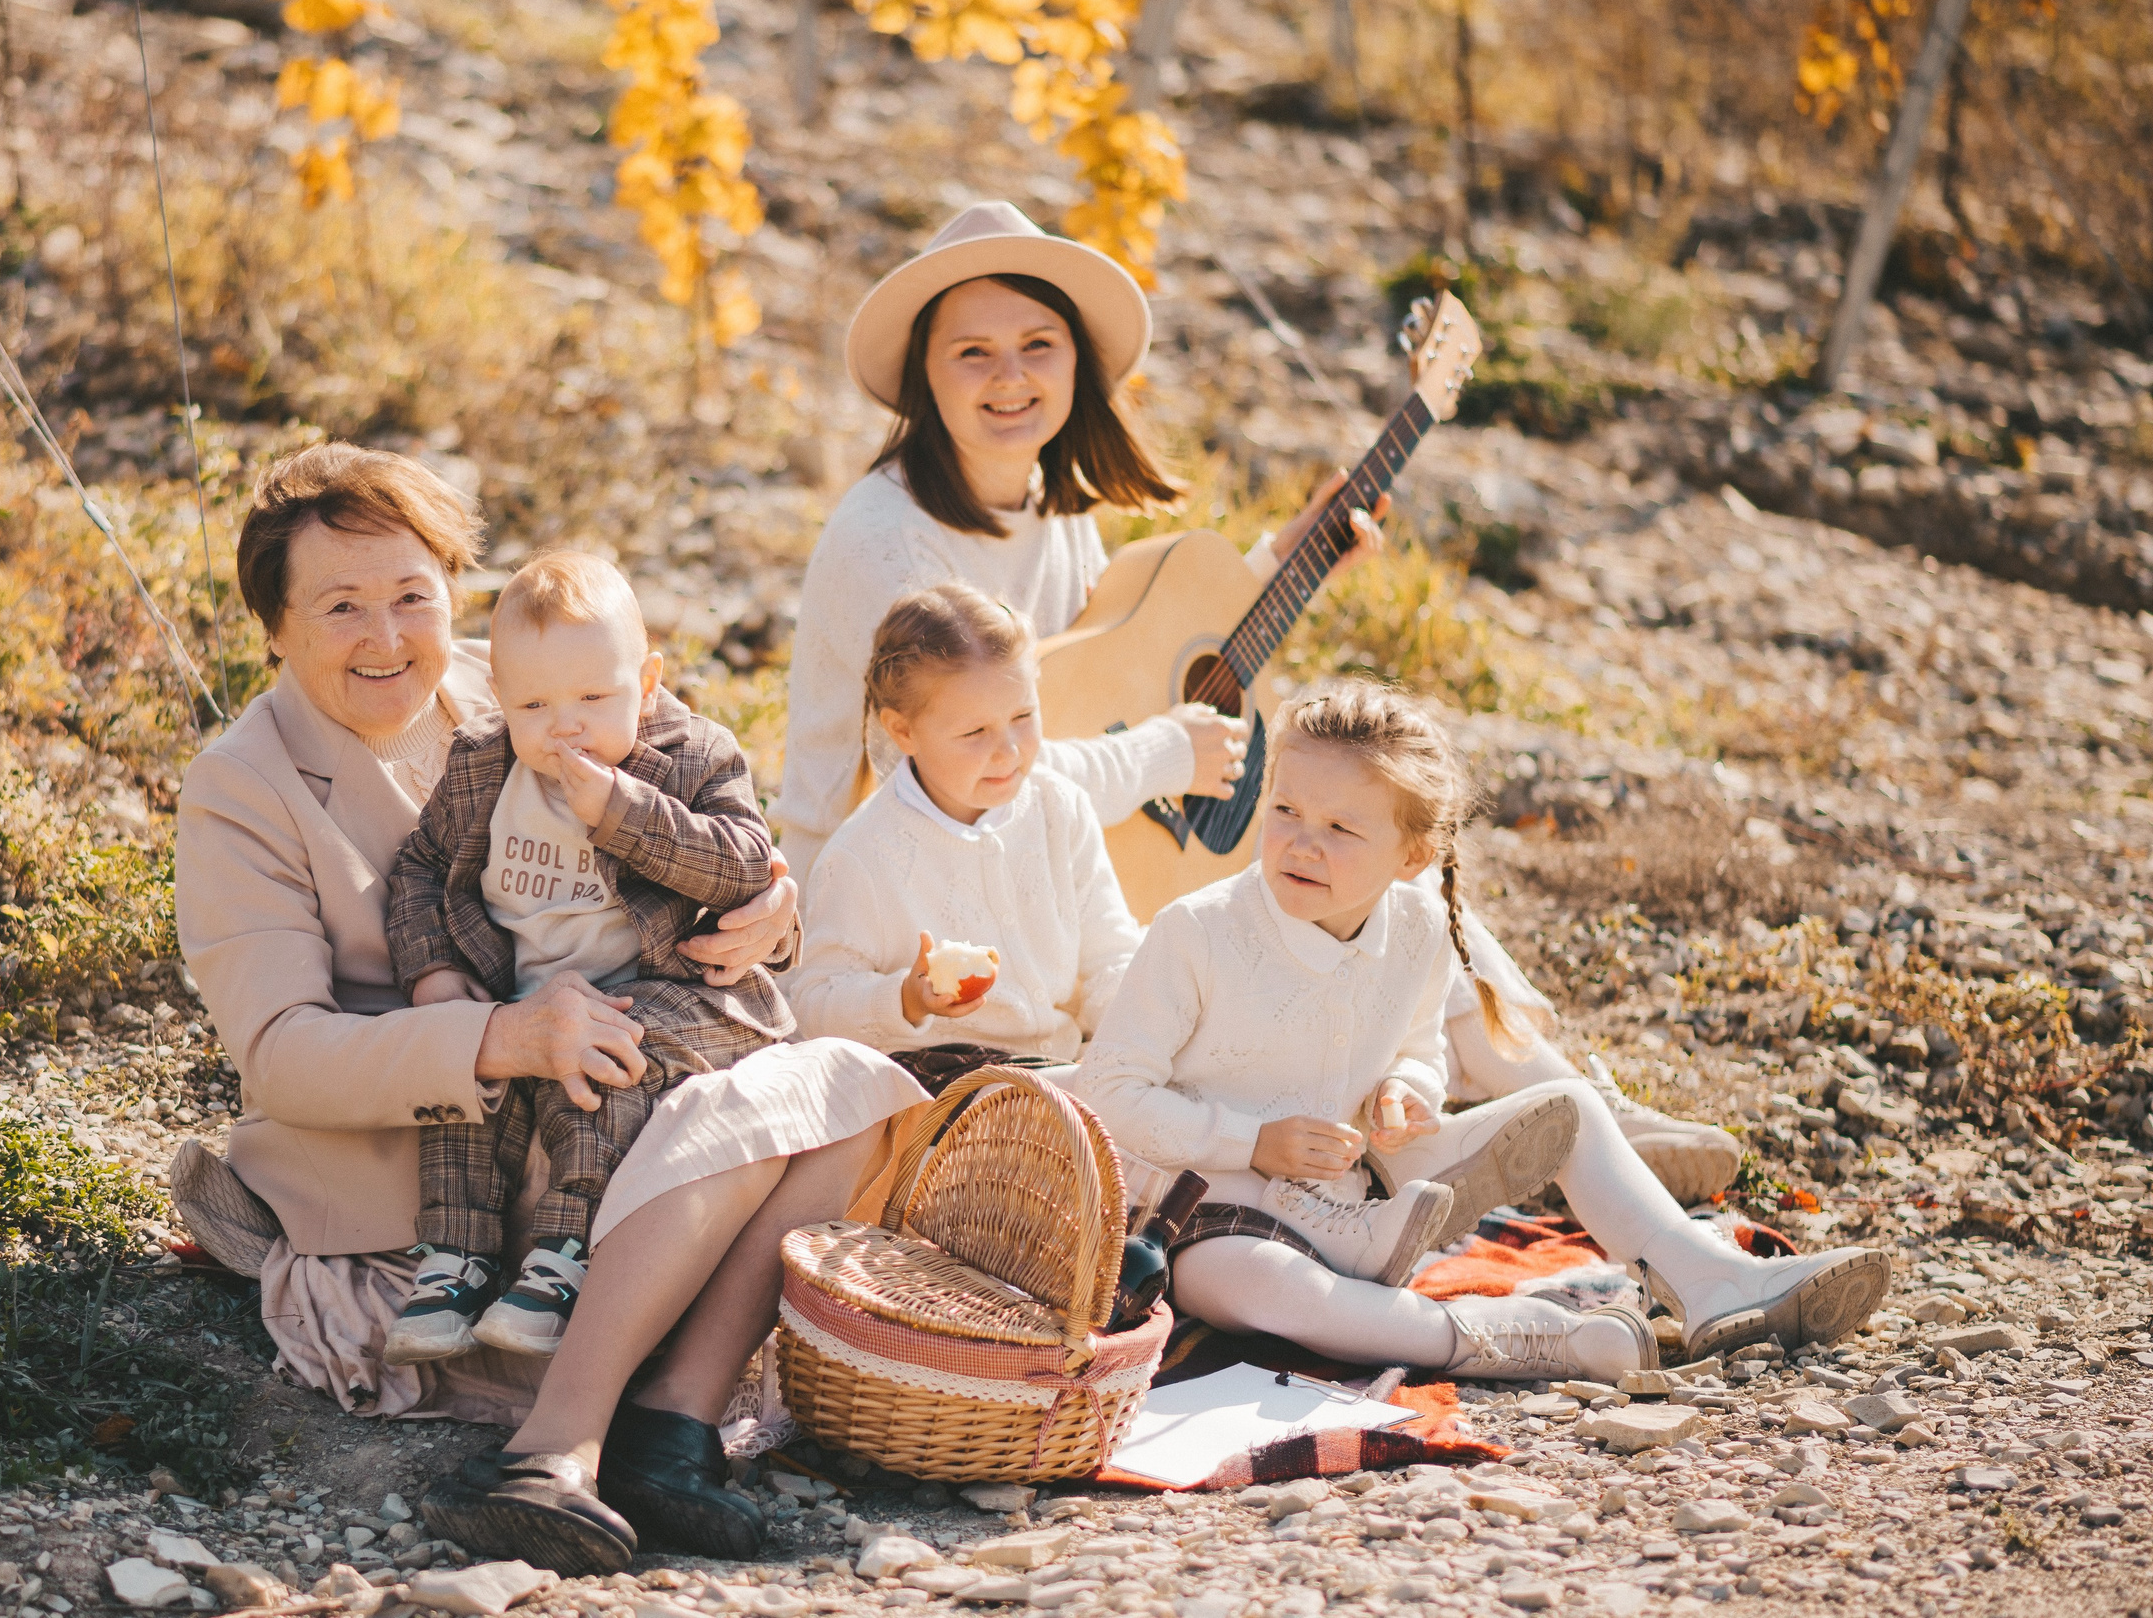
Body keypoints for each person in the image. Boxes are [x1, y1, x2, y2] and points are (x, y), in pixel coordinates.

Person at [786, 198, 1741, 1204]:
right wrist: (1166, 754)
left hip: (1047, 864)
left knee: (1372, 863)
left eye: (1037, 344)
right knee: (1287, 896)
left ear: (1075, 363)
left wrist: (1280, 561)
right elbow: (967, 771)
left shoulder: (1049, 508)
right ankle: (1534, 1131)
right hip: (920, 918)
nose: (1010, 375)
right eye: (972, 352)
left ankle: (1565, 1106)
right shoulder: (888, 540)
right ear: (924, 375)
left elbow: (1097, 673)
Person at [170, 442, 926, 1574]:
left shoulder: (526, 677)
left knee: (850, 1098)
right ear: (273, 627)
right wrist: (505, 1036)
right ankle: (550, 1447)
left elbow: (704, 806)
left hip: (603, 1058)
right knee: (716, 1112)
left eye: (412, 596)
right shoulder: (242, 784)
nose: (386, 636)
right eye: (340, 606)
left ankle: (671, 1421)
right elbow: (281, 1054)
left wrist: (771, 911)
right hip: (430, 1148)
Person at [1073, 681, 1892, 1381]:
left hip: (1357, 1191)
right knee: (1269, 1289)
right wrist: (1255, 1141)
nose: (1301, 842)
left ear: (1411, 854)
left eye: (1341, 828)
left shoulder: (1421, 928)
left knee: (1568, 1105)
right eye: (1284, 809)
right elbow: (1108, 1094)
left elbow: (1420, 1048)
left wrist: (1407, 1091)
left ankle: (1712, 1278)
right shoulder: (1197, 932)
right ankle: (1527, 1336)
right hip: (1203, 1209)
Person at [380, 550, 796, 1364]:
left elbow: (746, 864)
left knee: (607, 1065)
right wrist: (431, 970)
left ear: (647, 681)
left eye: (593, 697)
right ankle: (454, 1260)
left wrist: (623, 811)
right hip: (525, 994)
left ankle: (565, 1257)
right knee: (466, 1087)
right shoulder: (482, 765)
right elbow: (419, 865)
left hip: (666, 993)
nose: (564, 725)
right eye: (535, 703)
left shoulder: (694, 755)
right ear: (500, 698)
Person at [786, 583, 1144, 1090]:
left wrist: (1136, 1043)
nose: (1008, 751)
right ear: (903, 731)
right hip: (945, 1088)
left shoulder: (1059, 809)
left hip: (1066, 1069)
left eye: (1023, 717)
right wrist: (906, 999)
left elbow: (1112, 954)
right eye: (975, 733)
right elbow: (816, 1003)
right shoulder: (862, 857)